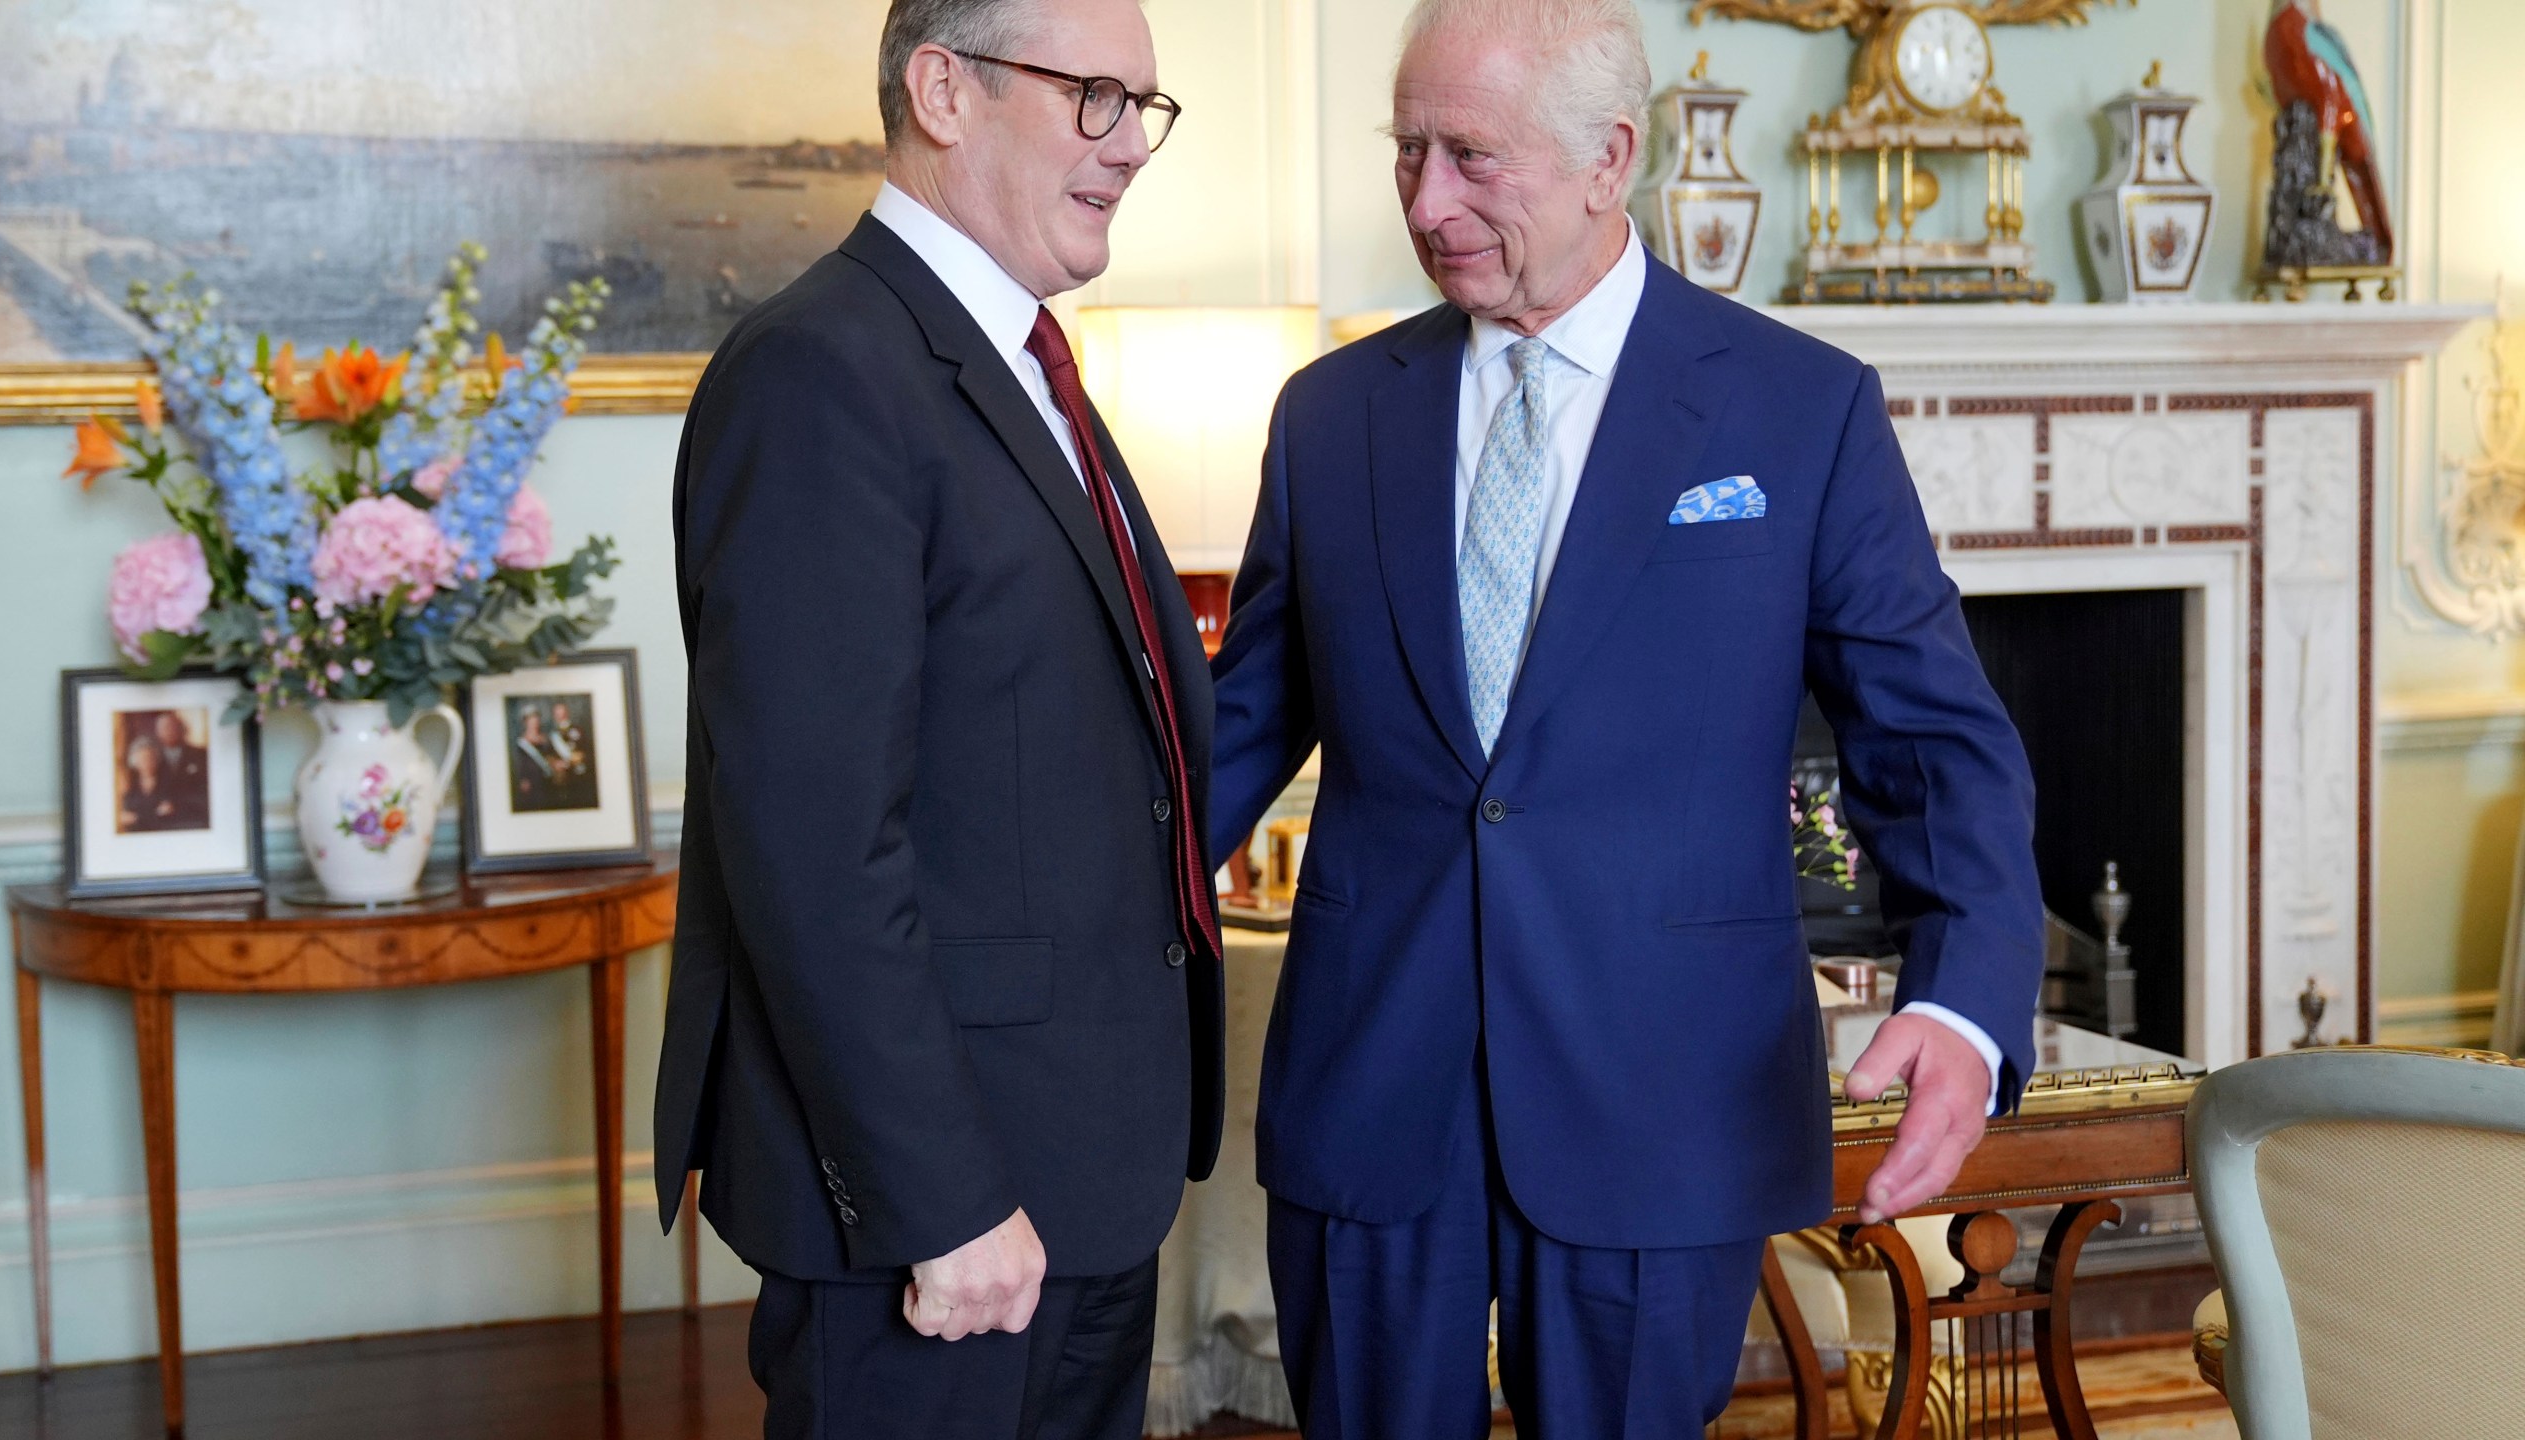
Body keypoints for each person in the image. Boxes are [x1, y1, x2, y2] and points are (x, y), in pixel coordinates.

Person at [1207, 2, 2043, 1435]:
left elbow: (1935, 743)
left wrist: (1963, 1001)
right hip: (1371, 1089)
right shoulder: (1330, 414)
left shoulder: (1800, 414)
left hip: (1666, 1096)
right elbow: (1232, 737)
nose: (1425, 200)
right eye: (1405, 152)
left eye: (1470, 155)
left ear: (1611, 157)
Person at [652, 1, 1219, 1436]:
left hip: (1080, 1182)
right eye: (1094, 96)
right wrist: (944, 1199)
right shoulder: (821, 372)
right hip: (941, 1226)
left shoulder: (1027, 367)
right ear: (945, 89)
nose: (1128, 147)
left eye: (1141, 108)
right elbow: (809, 846)